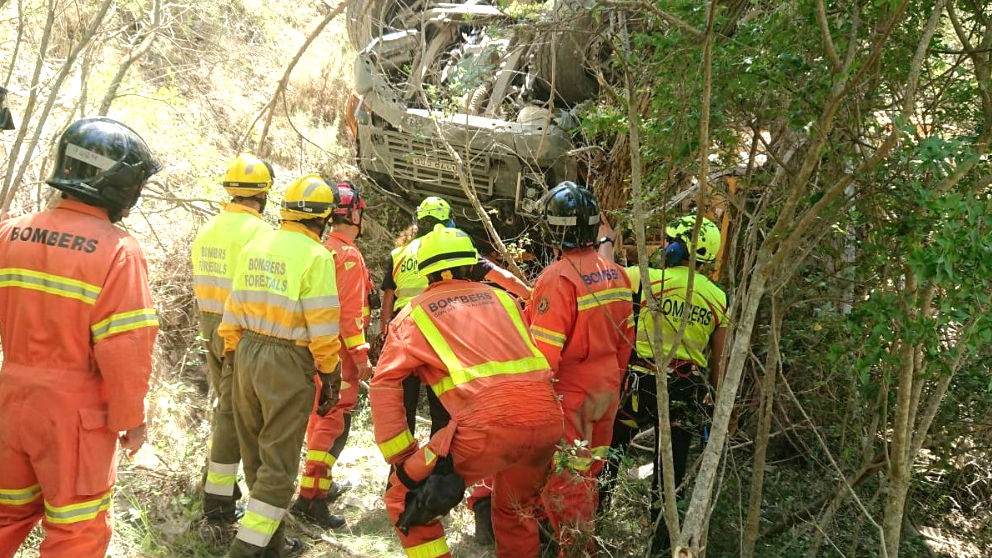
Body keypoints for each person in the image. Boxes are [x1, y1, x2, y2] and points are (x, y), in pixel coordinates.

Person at [0, 117, 160, 557]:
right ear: (120, 184)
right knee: (77, 533)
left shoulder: (11, 232)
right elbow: (126, 348)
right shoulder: (118, 251)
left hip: (10, 401)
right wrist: (132, 418)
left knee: (6, 517)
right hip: (75, 416)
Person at [371, 224, 563, 558]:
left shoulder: (414, 313)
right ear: (472, 265)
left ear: (427, 272)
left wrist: (403, 458)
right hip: (547, 418)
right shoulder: (504, 300)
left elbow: (385, 383)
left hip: (488, 425)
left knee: (405, 498)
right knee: (515, 511)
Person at [219, 174, 343, 558]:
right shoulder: (317, 256)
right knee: (280, 464)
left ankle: (269, 546)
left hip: (244, 353)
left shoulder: (259, 243)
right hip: (286, 360)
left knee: (256, 454)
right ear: (322, 220)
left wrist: (232, 352)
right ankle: (243, 550)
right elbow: (322, 325)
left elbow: (234, 303)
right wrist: (330, 371)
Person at [598, 215, 728, 550]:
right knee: (671, 473)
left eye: (669, 240)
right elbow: (720, 360)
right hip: (685, 392)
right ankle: (661, 545)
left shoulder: (646, 279)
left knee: (611, 452)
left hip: (638, 384)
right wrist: (716, 401)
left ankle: (594, 522)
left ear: (680, 247)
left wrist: (607, 241)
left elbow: (604, 276)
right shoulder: (717, 298)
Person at [526, 181, 634, 555]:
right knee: (588, 475)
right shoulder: (616, 273)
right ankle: (569, 537)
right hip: (607, 390)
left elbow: (544, 357)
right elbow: (626, 342)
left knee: (568, 481)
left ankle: (574, 549)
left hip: (571, 394)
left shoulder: (558, 278)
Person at [379, 196, 530, 435]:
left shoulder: (400, 254)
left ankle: (401, 467)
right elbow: (503, 278)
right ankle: (441, 463)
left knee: (403, 405)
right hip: (440, 324)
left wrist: (385, 332)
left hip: (403, 328)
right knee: (443, 403)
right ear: (449, 219)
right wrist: (531, 295)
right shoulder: (454, 246)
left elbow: (388, 297)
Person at [191, 153, 274, 522]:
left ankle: (222, 488)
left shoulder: (208, 228)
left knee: (224, 404)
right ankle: (219, 497)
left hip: (208, 323)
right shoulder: (260, 233)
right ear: (264, 195)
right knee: (232, 412)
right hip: (237, 331)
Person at [293, 182, 373, 529]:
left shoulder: (318, 249)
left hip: (311, 352)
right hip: (337, 358)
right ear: (355, 215)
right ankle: (312, 499)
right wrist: (361, 357)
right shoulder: (349, 256)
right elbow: (348, 315)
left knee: (317, 424)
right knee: (331, 425)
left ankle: (317, 487)